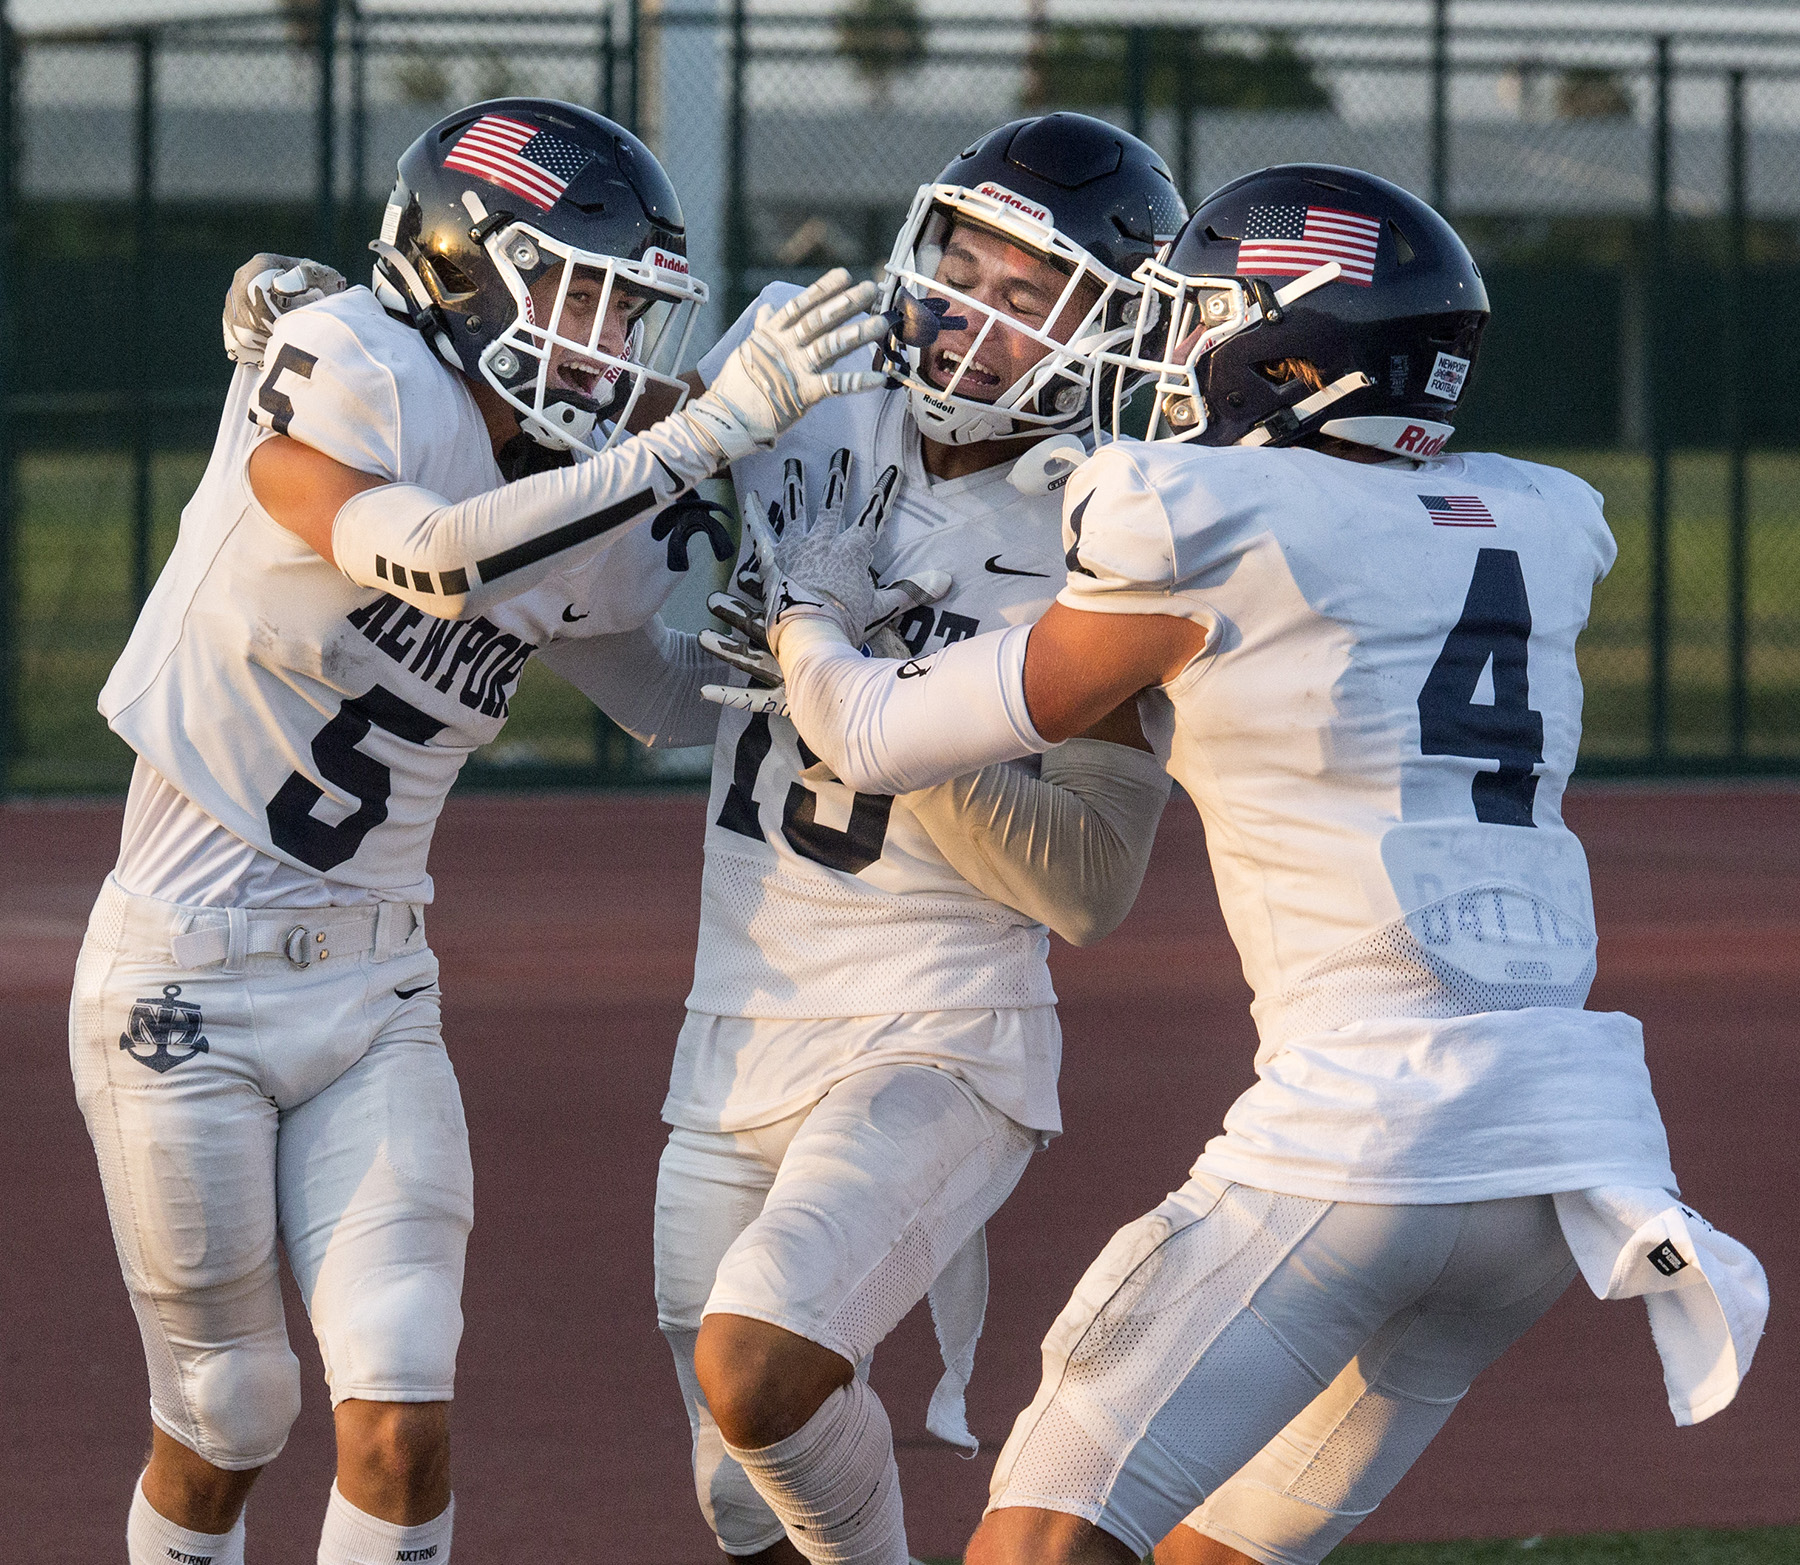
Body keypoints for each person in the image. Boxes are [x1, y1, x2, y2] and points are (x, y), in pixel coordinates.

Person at [734, 163, 1769, 1565]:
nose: (1163, 354)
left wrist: (803, 606)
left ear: (1282, 353)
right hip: (1566, 1158)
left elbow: (869, 730)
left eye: (1192, 320)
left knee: (1041, 1541)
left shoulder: (1197, 517)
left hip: (1365, 1134)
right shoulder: (1535, 516)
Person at [71, 96, 883, 1565]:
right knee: (230, 1410)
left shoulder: (579, 479)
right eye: (587, 297)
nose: (612, 345)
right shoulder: (354, 364)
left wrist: (823, 644)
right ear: (466, 265)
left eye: (629, 313)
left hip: (376, 984)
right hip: (180, 972)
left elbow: (660, 696)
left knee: (402, 1414)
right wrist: (700, 431)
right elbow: (435, 556)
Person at [545, 111, 1186, 1565]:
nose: (970, 311)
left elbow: (1090, 885)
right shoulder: (809, 373)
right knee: (740, 1487)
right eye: (962, 266)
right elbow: (587, 486)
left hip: (939, 1033)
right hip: (737, 1016)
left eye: (1026, 295)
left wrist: (847, 681)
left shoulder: (1111, 524)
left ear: (1109, 330)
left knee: (760, 1362)